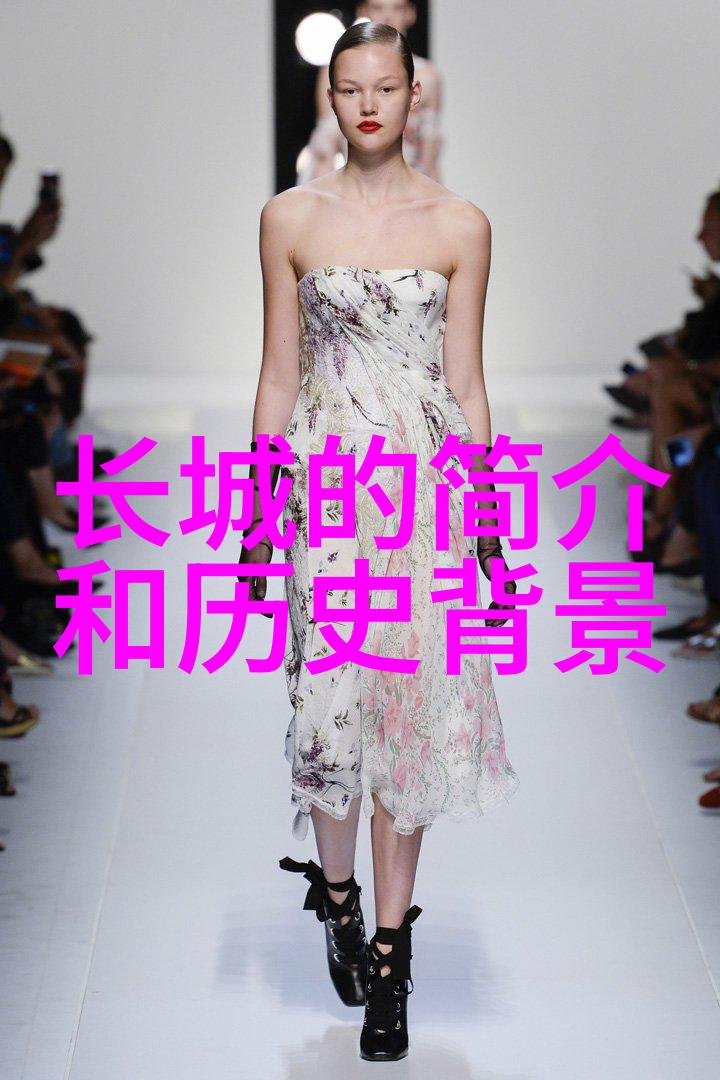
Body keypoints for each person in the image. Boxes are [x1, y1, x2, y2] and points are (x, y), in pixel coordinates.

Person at [240, 20, 519, 1062]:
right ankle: (340, 897)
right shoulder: (288, 218)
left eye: (385, 88)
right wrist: (256, 516)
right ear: (330, 97)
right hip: (325, 494)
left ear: (414, 96)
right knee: (327, 715)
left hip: (425, 499)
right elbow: (278, 372)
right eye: (351, 88)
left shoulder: (460, 224)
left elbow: (468, 382)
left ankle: (392, 959)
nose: (368, 105)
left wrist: (487, 525)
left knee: (407, 718)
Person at [297, 0, 443, 184]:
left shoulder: (428, 77)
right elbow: (325, 147)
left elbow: (430, 156)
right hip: (352, 185)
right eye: (377, 8)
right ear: (362, 11)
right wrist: (318, 197)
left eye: (397, 8)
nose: (388, 17)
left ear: (410, 13)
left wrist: (435, 197)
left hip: (409, 187)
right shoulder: (334, 72)